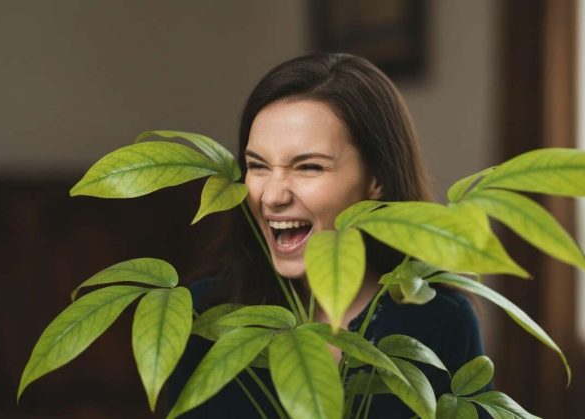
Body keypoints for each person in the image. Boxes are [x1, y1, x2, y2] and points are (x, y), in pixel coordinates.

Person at [169, 52, 488, 418]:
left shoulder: (440, 319)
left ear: (376, 180)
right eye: (258, 166)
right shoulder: (202, 312)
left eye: (308, 167)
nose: (272, 196)